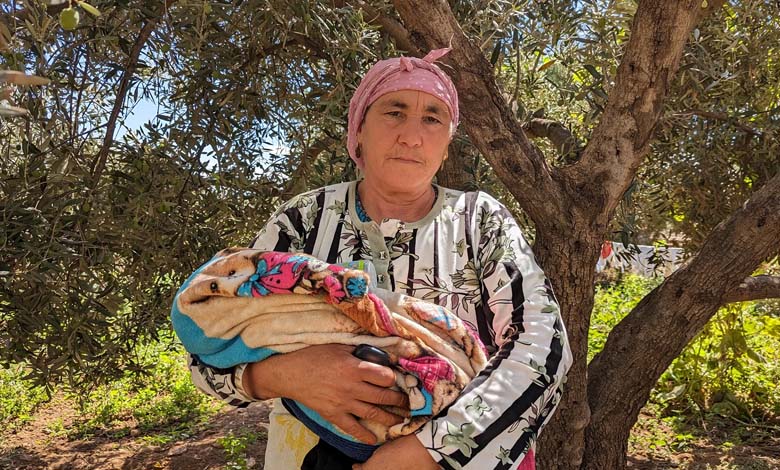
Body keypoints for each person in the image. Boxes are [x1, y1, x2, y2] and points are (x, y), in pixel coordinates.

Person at [187, 48, 572, 469]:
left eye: (431, 118)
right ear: (358, 131)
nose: (411, 136)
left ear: (446, 145)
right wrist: (285, 375)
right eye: (394, 112)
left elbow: (543, 349)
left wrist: (424, 452)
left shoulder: (481, 220)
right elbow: (208, 348)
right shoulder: (304, 219)